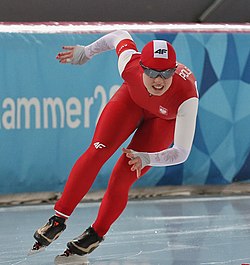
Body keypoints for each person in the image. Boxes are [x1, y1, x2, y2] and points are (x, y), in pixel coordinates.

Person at [32, 30, 199, 257]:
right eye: (151, 72)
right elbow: (119, 35)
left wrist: (148, 158)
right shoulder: (129, 64)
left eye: (166, 73)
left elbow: (181, 152)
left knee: (122, 175)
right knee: (97, 152)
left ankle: (95, 234)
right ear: (141, 67)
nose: (159, 80)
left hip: (163, 121)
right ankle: (57, 220)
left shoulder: (187, 96)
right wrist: (87, 52)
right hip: (131, 100)